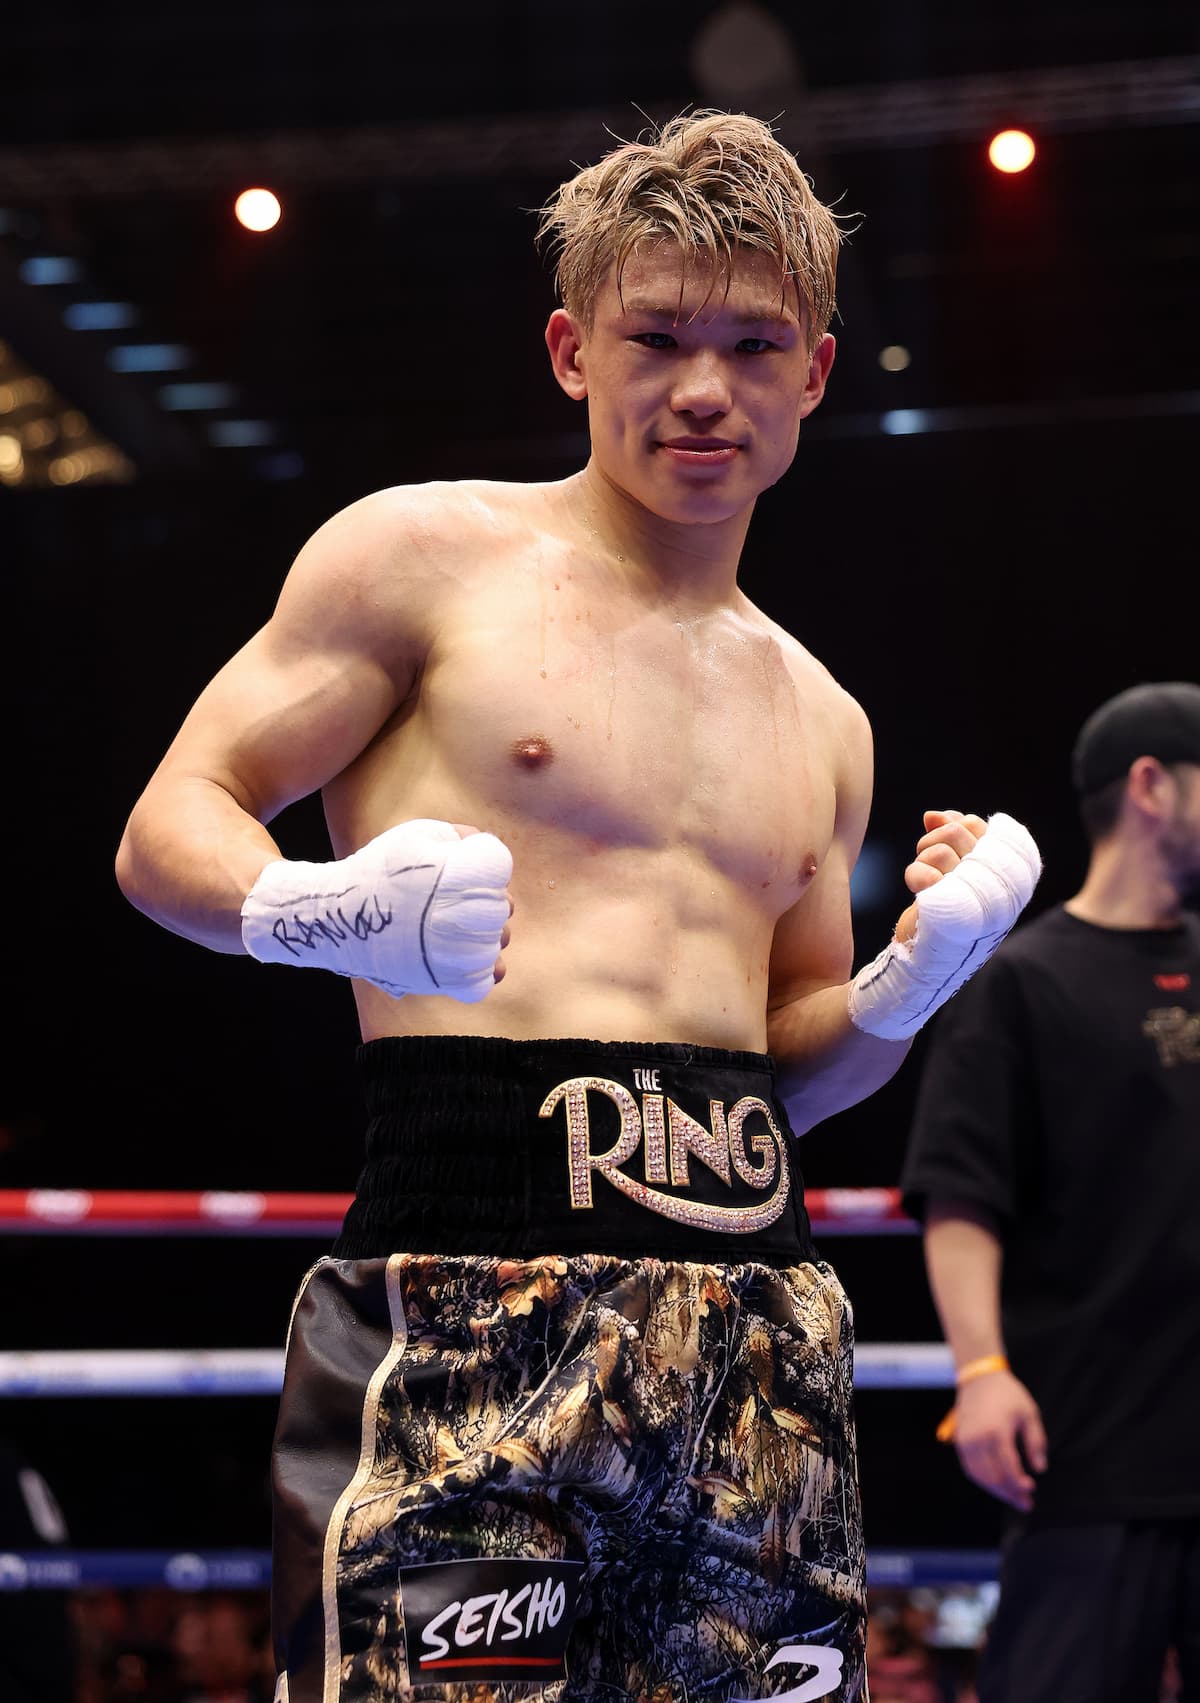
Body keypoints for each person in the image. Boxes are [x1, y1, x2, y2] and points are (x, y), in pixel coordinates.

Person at [116, 110, 1040, 1703]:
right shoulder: (421, 558)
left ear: (815, 373)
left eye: (754, 344)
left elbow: (788, 1064)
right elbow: (164, 830)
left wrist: (910, 980)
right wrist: (330, 910)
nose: (705, 386)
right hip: (470, 1288)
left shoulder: (824, 715)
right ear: (570, 349)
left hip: (757, 1335)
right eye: (658, 335)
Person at [899, 681, 1200, 1703]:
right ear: (1153, 785)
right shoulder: (1020, 981)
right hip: (1089, 1450)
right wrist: (980, 1367)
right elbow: (960, 1195)